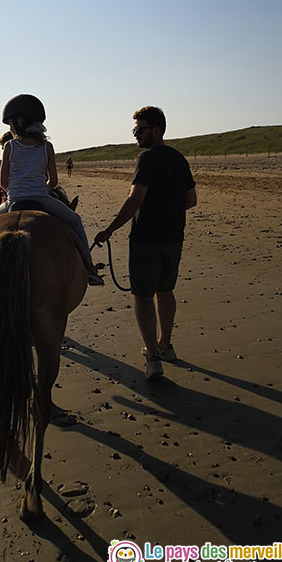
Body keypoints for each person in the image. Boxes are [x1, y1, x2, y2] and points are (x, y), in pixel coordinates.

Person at [94, 106, 197, 379]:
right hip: (174, 238)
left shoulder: (147, 159)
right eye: (134, 130)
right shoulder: (178, 158)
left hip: (146, 240)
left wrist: (109, 230)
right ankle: (165, 345)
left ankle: (153, 357)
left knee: (142, 296)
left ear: (156, 130)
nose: (135, 135)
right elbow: (191, 200)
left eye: (139, 130)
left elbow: (135, 199)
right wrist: (169, 211)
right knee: (165, 291)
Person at [0, 94, 103, 286]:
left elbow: (3, 182)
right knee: (75, 221)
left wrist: (15, 190)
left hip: (13, 201)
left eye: (10, 123)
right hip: (41, 199)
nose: (9, 128)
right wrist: (42, 190)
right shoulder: (46, 146)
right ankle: (89, 268)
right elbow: (54, 180)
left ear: (19, 122)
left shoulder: (9, 146)